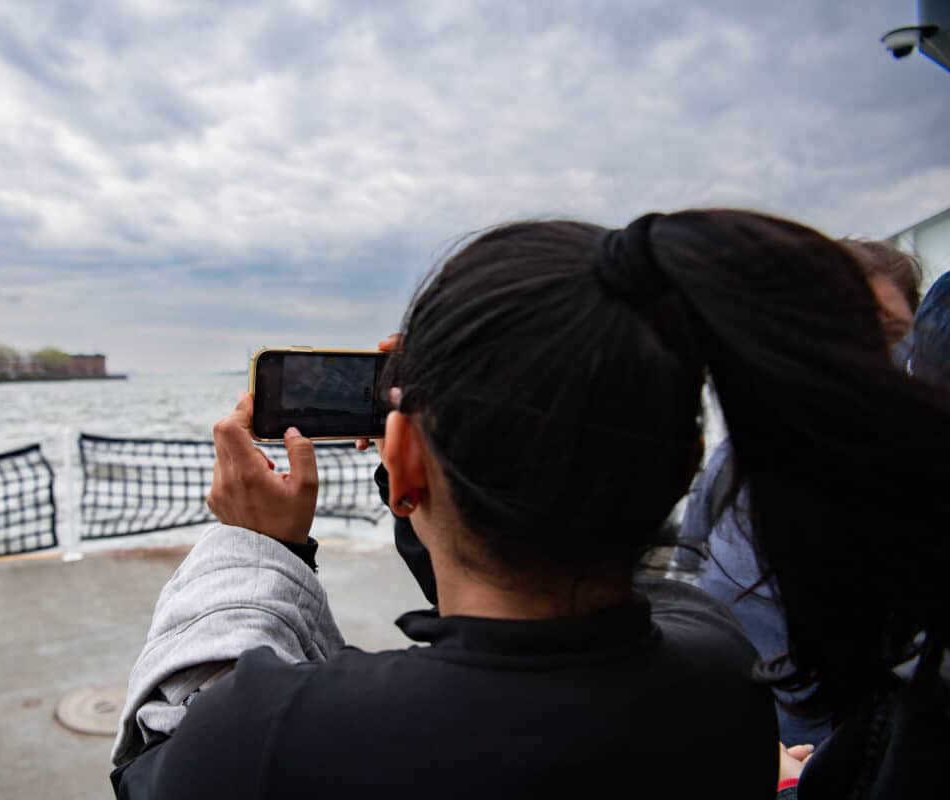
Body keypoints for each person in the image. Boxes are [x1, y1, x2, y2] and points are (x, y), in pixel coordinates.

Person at [111, 211, 950, 799]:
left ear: (402, 462)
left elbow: (161, 756)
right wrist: (433, 456)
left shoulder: (272, 741)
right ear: (686, 458)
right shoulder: (721, 669)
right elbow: (526, 567)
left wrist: (259, 548)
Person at [674, 239, 924, 748]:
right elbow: (685, 574)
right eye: (830, 328)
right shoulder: (736, 461)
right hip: (753, 749)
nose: (849, 355)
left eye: (881, 332)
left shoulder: (925, 475)